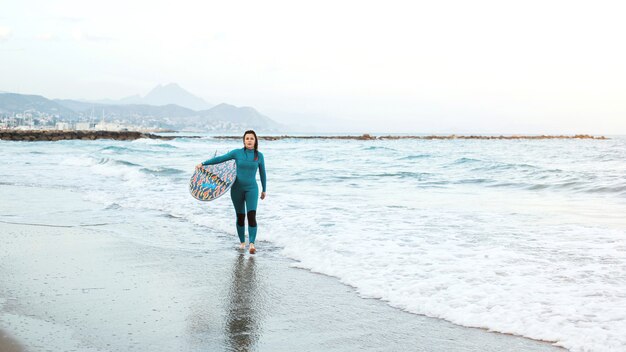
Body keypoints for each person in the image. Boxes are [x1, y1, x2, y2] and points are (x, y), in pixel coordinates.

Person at [197, 130, 267, 254]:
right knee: (240, 217)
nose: (249, 141)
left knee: (252, 216)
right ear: (244, 141)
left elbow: (263, 173)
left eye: (251, 138)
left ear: (255, 141)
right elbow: (220, 159)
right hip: (236, 189)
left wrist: (264, 190)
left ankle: (251, 244)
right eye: (247, 138)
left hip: (252, 189)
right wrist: (203, 163)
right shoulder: (237, 153)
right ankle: (242, 243)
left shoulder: (259, 156)